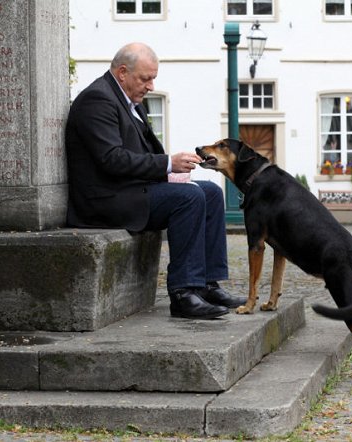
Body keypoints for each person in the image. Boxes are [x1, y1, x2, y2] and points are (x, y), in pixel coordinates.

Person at [65, 42, 245, 320]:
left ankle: (208, 284)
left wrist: (171, 172)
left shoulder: (129, 101)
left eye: (153, 79)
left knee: (209, 192)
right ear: (122, 72)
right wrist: (166, 164)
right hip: (106, 200)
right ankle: (184, 293)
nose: (150, 86)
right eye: (145, 78)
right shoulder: (97, 100)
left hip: (132, 189)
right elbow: (111, 159)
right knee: (189, 198)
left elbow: (140, 154)